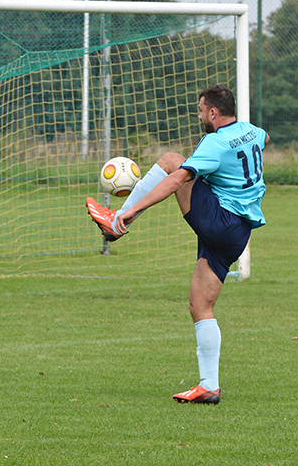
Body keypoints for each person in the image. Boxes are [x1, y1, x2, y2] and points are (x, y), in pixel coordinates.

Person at [87, 84, 268, 404]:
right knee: (200, 305)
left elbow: (176, 179)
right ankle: (209, 387)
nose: (199, 115)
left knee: (171, 160)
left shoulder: (215, 142)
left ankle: (115, 221)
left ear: (213, 112)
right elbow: (265, 140)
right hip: (239, 233)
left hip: (219, 221)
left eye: (201, 110)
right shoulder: (252, 131)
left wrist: (130, 213)